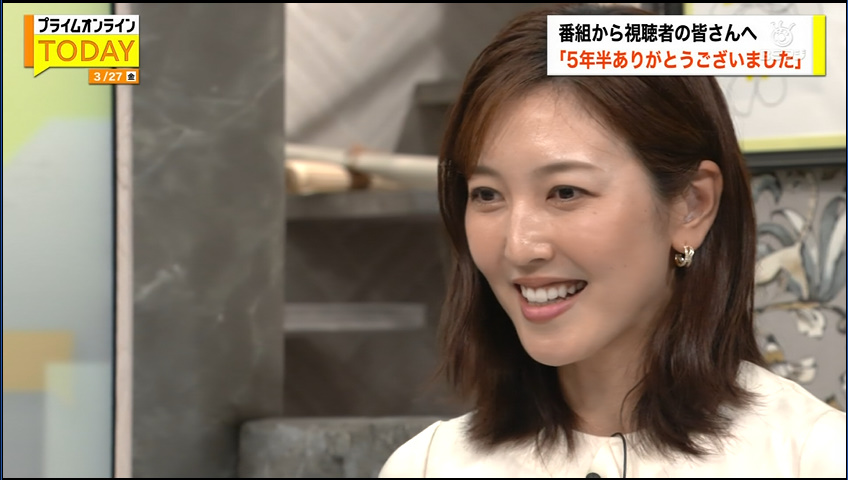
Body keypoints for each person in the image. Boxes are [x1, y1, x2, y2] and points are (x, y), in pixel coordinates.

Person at [379, 3, 846, 478]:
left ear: (692, 205)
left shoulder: (814, 458)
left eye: (565, 192)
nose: (518, 246)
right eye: (487, 194)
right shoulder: (428, 466)